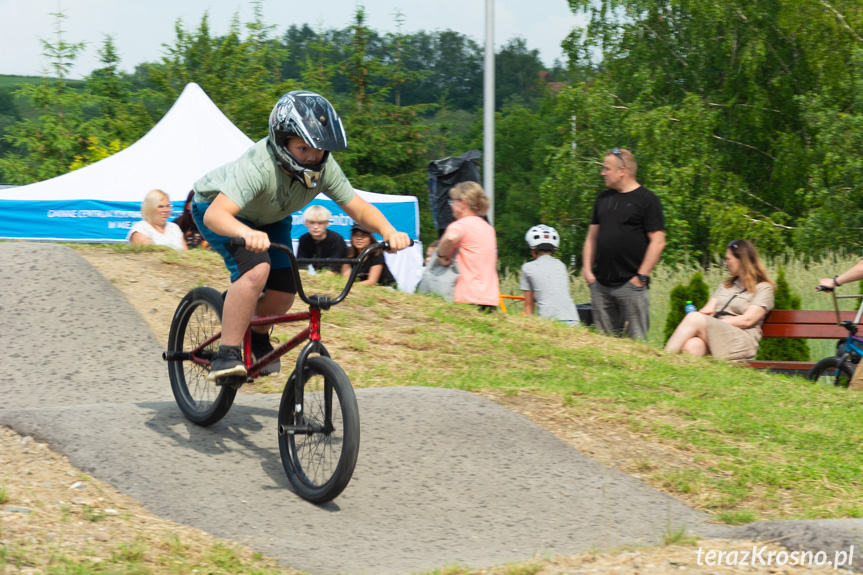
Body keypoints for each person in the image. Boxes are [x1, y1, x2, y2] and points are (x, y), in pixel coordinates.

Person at [191, 90, 411, 381]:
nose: (312, 158)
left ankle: (255, 335)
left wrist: (388, 231)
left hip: (271, 217)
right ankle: (227, 352)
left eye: (318, 150)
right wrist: (246, 233)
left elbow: (358, 208)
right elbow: (215, 216)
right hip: (220, 210)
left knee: (284, 293)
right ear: (282, 142)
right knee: (257, 271)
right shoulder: (259, 166)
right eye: (302, 149)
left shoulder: (324, 167)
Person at [583, 147, 665, 340]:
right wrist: (587, 271)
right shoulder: (603, 199)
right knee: (604, 345)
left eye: (606, 169)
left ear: (623, 171)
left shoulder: (647, 200)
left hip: (631, 286)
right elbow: (591, 238)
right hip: (601, 286)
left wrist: (640, 277)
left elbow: (658, 242)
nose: (602, 173)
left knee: (636, 347)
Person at [665, 239, 775, 360]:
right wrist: (704, 316)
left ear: (742, 261)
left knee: (695, 318)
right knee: (692, 346)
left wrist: (710, 323)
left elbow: (747, 320)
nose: (725, 263)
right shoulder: (726, 285)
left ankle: (663, 362)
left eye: (728, 259)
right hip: (719, 336)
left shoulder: (764, 288)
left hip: (741, 340)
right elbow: (708, 309)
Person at [437, 181, 500, 311]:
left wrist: (441, 255)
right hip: (490, 299)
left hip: (467, 298)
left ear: (463, 203)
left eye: (453, 202)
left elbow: (450, 237)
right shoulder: (488, 228)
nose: (451, 206)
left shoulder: (461, 225)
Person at [520, 225, 580, 324]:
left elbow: (528, 305)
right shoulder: (562, 265)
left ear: (533, 251)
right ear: (553, 250)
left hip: (549, 320)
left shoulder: (528, 268)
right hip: (573, 319)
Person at [296, 205, 346, 273]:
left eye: (320, 223)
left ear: (327, 223)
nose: (316, 227)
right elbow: (301, 268)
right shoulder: (304, 239)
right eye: (312, 222)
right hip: (318, 278)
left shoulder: (337, 240)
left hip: (339, 279)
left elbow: (333, 271)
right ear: (306, 223)